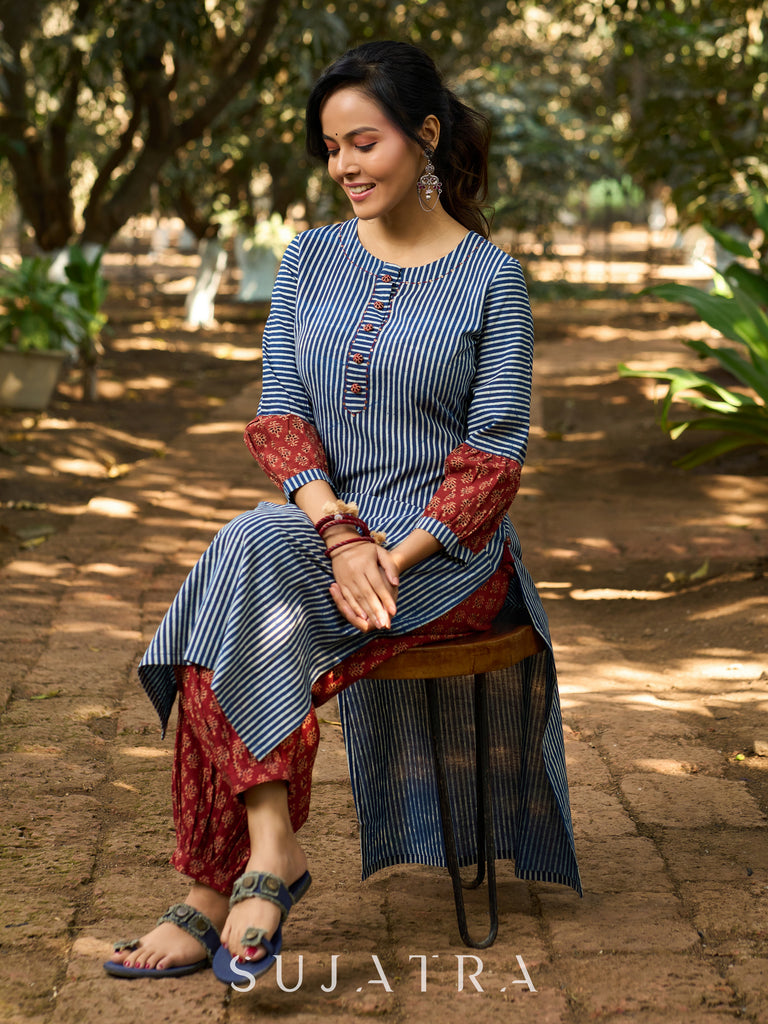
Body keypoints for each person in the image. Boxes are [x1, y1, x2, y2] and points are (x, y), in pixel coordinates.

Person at [103, 39, 581, 984]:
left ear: (426, 137)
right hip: (330, 531)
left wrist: (389, 557)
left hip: (448, 554)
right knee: (249, 551)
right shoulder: (309, 257)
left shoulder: (494, 280)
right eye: (330, 150)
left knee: (224, 594)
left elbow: (493, 460)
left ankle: (215, 884)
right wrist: (337, 532)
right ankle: (266, 850)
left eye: (363, 142)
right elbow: (280, 415)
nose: (345, 168)